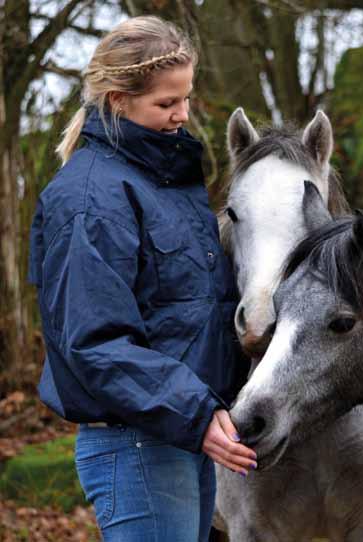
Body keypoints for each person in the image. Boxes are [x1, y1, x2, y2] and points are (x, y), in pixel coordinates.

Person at [28, 15, 255, 541]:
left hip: (183, 434)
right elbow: (95, 341)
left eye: (187, 99)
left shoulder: (165, 181)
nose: (182, 115)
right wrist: (195, 412)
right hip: (136, 445)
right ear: (116, 101)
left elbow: (194, 310)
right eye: (165, 103)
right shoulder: (88, 200)